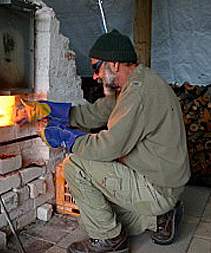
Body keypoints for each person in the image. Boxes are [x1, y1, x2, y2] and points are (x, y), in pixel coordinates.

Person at [17, 29, 191, 253]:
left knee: (75, 165)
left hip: (157, 186)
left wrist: (65, 138)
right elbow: (96, 112)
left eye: (96, 67)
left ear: (115, 64)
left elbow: (107, 147)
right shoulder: (136, 83)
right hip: (164, 181)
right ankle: (159, 218)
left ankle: (110, 240)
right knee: (98, 216)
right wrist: (48, 110)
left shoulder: (138, 94)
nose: (96, 76)